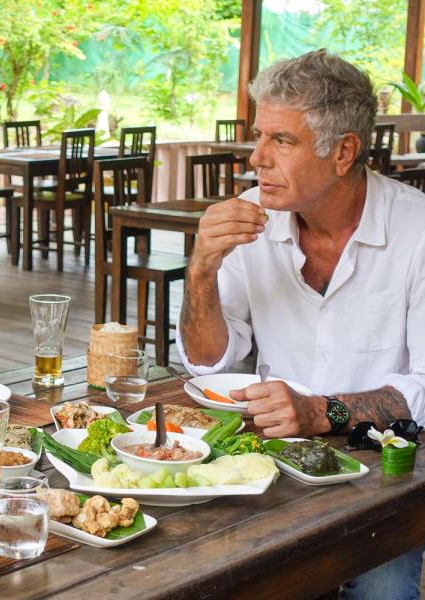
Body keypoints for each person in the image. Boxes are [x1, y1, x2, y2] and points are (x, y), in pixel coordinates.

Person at [177, 50, 425, 599]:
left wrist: (320, 411)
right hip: (264, 460)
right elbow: (210, 360)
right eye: (257, 135)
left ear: (343, 152)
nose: (255, 159)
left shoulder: (419, 232)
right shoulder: (249, 216)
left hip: (383, 467)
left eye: (280, 141)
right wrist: (201, 270)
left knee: (381, 592)